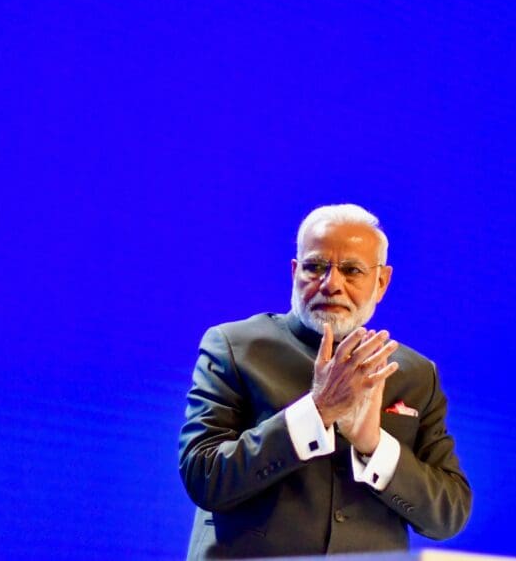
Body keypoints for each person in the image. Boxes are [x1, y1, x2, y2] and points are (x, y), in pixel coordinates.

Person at [179, 204, 471, 559]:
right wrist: (317, 411)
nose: (331, 284)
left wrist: (373, 444)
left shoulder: (415, 374)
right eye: (315, 267)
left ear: (381, 282)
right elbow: (204, 475)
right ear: (294, 272)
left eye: (351, 271)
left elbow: (449, 513)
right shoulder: (235, 347)